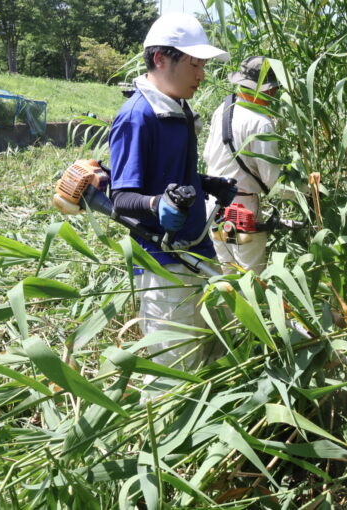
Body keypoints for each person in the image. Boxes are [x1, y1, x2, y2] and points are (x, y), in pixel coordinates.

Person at [108, 13, 237, 376]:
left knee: (216, 342)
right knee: (174, 363)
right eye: (194, 64)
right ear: (161, 59)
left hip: (198, 247)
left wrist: (206, 183)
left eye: (203, 66)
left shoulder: (178, 108)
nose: (201, 75)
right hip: (162, 260)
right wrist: (155, 205)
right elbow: (121, 197)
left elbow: (168, 173)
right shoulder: (137, 116)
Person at [203, 56, 281, 275]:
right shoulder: (261, 123)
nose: (274, 94)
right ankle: (252, 309)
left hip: (214, 207)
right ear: (266, 90)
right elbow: (272, 180)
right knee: (251, 275)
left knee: (227, 271)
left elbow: (208, 154)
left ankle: (229, 310)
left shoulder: (224, 109)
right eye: (273, 89)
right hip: (242, 209)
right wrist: (308, 194)